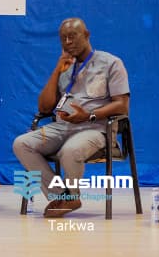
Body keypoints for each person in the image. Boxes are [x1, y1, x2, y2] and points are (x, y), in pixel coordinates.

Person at [12, 17, 130, 218]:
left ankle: (71, 195)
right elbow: (44, 106)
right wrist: (57, 71)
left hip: (95, 128)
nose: (67, 42)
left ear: (86, 35)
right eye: (63, 38)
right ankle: (64, 196)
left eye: (72, 36)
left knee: (71, 150)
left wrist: (90, 115)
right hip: (62, 127)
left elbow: (122, 105)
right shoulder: (65, 66)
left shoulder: (111, 63)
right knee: (22, 143)